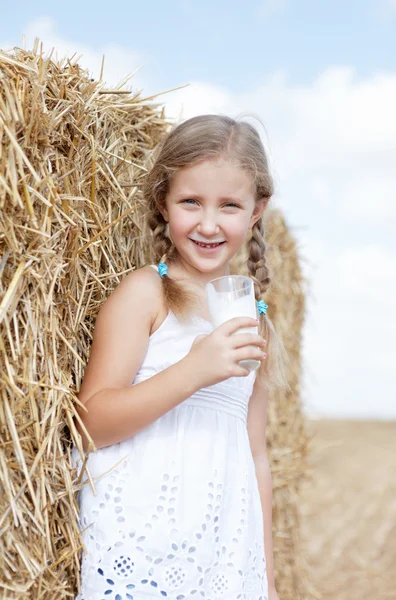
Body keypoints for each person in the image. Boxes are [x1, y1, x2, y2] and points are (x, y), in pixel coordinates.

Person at [72, 114, 288, 600]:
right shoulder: (147, 294)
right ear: (162, 203)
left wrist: (266, 581)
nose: (208, 224)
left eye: (229, 205)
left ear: (256, 211)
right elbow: (89, 425)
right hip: (143, 545)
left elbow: (256, 457)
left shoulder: (255, 323)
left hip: (222, 556)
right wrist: (192, 371)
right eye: (191, 202)